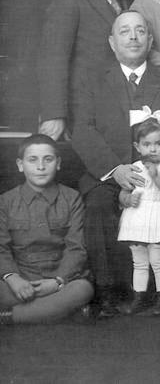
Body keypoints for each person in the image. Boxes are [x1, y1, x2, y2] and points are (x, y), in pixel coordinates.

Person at [71, 11, 160, 316]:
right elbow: (83, 129)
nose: (133, 37)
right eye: (125, 32)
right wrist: (115, 170)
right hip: (113, 173)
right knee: (97, 205)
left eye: (140, 31)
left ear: (150, 40)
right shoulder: (92, 81)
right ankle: (109, 292)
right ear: (112, 42)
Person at [37, 0, 133, 140]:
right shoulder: (69, 0)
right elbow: (52, 61)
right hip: (81, 115)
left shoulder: (128, 0)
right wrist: (54, 114)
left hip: (121, 112)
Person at [0, 135, 93, 325]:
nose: (40, 167)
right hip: (19, 278)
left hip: (59, 278)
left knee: (83, 289)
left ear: (58, 163)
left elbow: (76, 247)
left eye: (48, 159)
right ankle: (57, 311)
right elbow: (0, 247)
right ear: (20, 164)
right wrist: (13, 278)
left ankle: (10, 317)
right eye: (32, 160)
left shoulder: (72, 198)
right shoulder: (5, 201)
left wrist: (57, 281)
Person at [117, 119, 160, 316]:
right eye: (147, 145)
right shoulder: (135, 167)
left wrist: (155, 176)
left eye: (158, 144)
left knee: (158, 261)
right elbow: (122, 194)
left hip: (158, 216)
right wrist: (128, 199)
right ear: (137, 147)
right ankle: (139, 297)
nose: (152, 149)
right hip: (137, 218)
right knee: (138, 261)